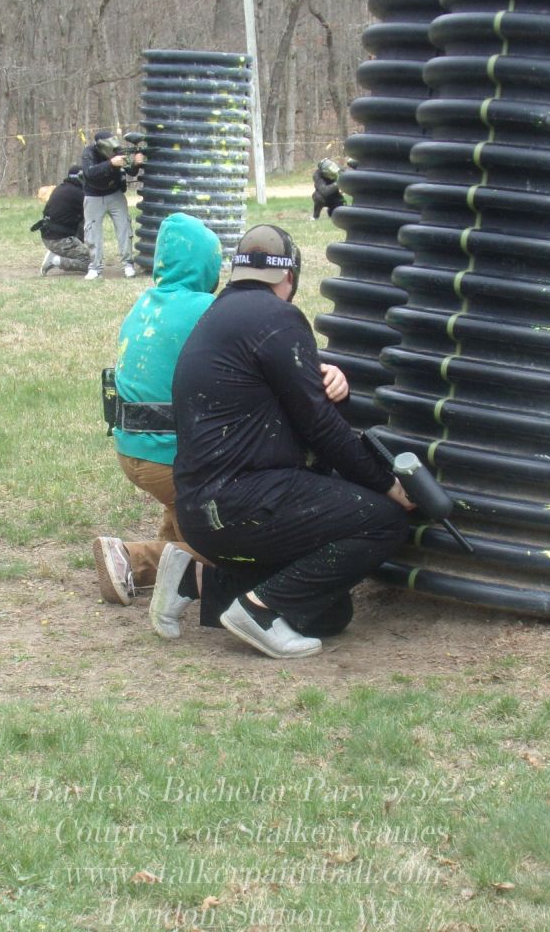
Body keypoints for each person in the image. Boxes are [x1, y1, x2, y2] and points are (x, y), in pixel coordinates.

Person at [151, 224, 414, 658]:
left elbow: (276, 403)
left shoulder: (218, 317)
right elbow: (321, 428)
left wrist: (330, 383)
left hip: (203, 508)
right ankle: (260, 612)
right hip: (242, 503)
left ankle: (192, 580)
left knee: (330, 613)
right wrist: (385, 483)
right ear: (290, 276)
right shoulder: (279, 318)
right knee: (384, 521)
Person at [91, 212, 222, 606]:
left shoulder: (144, 303)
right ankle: (131, 559)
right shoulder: (207, 310)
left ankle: (165, 546)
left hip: (131, 450)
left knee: (182, 506)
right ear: (206, 265)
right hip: (170, 460)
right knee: (233, 548)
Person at [80, 129, 142, 281]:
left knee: (124, 228)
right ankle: (95, 267)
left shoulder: (117, 151)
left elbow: (131, 171)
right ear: (101, 146)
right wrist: (110, 163)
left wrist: (136, 163)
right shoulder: (89, 153)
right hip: (93, 196)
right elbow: (89, 173)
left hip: (115, 194)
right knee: (92, 231)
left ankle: (128, 264)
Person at [33, 166, 90, 274]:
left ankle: (58, 253)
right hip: (59, 239)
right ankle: (56, 261)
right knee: (91, 263)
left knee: (82, 222)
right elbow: (91, 214)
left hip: (49, 235)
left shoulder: (61, 188)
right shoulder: (78, 193)